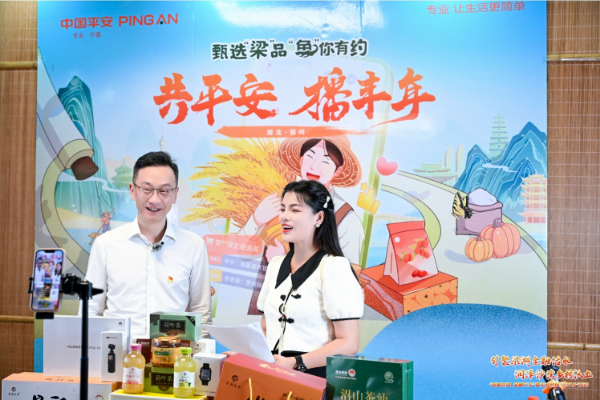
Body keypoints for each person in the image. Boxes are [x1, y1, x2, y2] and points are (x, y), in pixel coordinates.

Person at [84, 151, 212, 339]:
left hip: (172, 354)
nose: (155, 199)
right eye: (147, 189)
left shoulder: (194, 246)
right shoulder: (106, 244)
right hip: (117, 354)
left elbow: (201, 313)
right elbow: (90, 309)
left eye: (164, 191)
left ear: (175, 195)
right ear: (132, 190)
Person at [241, 136, 365, 315]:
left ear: (337, 170)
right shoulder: (273, 202)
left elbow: (347, 286)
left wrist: (287, 262)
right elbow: (239, 256)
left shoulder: (347, 218)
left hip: (314, 317)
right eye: (310, 156)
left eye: (325, 161)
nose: (314, 166)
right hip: (269, 310)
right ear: (300, 160)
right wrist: (256, 219)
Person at [256, 180, 364, 377]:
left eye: (295, 210)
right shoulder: (275, 265)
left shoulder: (334, 267)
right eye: (283, 209)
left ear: (319, 217)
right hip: (272, 374)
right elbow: (265, 329)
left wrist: (295, 362)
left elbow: (349, 343)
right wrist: (245, 355)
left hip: (313, 377)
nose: (284, 216)